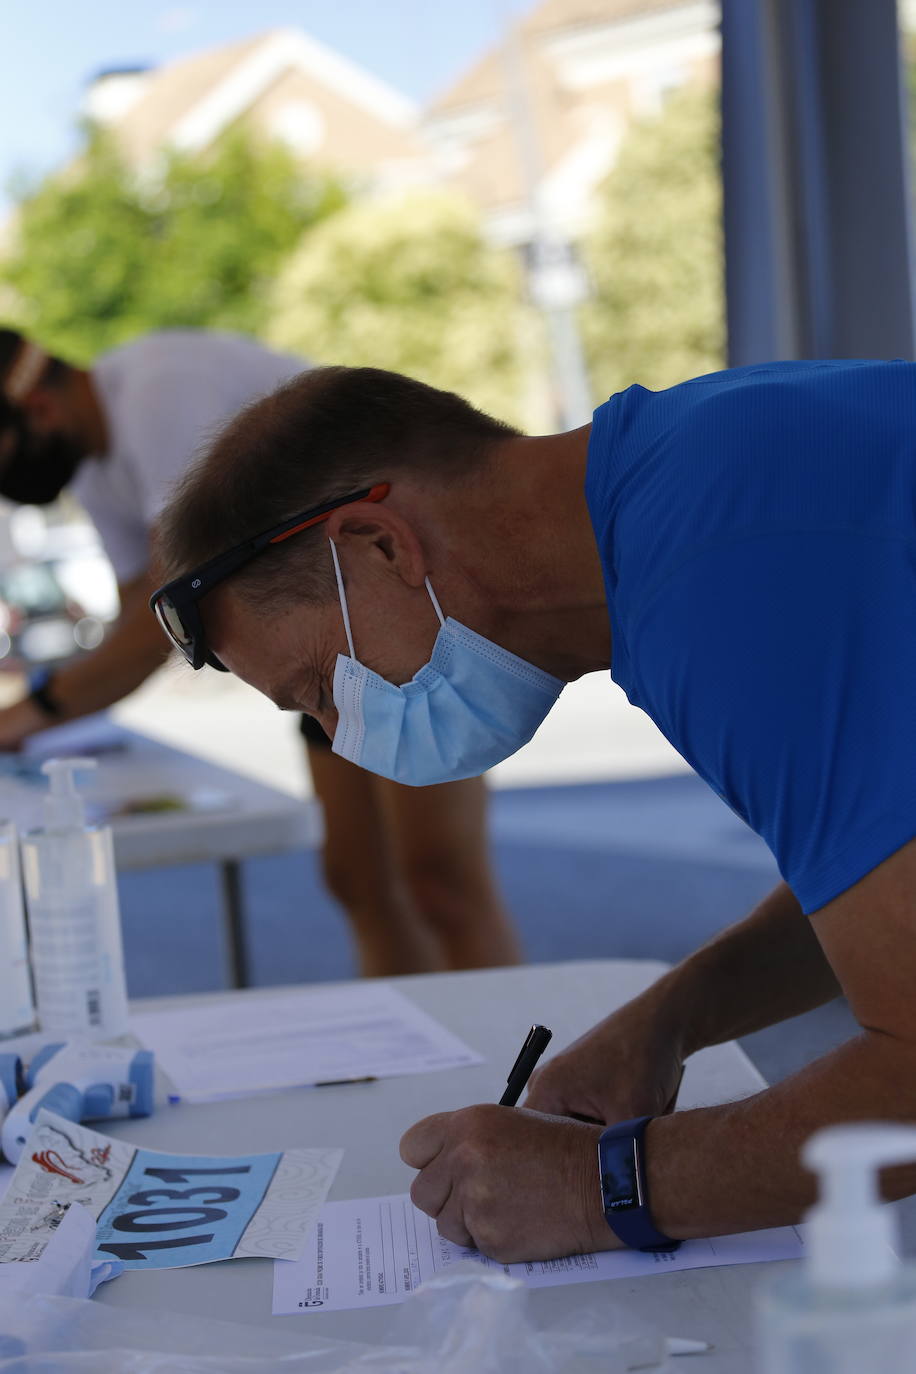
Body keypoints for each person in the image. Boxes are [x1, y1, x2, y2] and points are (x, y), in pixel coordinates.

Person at [149, 359, 916, 1263]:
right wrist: (672, 1018)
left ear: (381, 545)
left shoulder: (713, 575)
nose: (347, 739)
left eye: (323, 688)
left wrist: (598, 1187)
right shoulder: (686, 482)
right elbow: (885, 872)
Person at [0, 330, 518, 977]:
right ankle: (423, 1058)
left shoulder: (157, 389)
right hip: (330, 630)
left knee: (441, 882)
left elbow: (163, 618)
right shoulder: (98, 460)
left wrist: (30, 714)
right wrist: (39, 713)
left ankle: (508, 1072)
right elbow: (143, 610)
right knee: (358, 880)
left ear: (37, 410)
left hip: (404, 601)